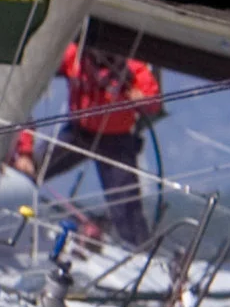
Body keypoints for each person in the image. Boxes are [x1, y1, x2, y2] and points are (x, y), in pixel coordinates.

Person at [42, 41, 163, 245]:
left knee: (125, 206)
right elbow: (44, 64)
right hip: (78, 133)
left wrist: (141, 99)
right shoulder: (75, 55)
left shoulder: (134, 68)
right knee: (35, 167)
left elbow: (154, 103)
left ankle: (138, 250)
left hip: (116, 142)